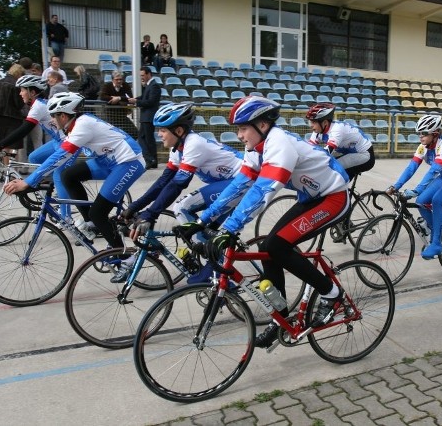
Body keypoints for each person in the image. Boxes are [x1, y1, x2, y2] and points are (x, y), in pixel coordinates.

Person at [178, 96, 350, 348]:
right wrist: (204, 219)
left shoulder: (279, 143)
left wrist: (229, 228)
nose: (239, 136)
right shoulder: (255, 149)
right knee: (267, 249)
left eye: (243, 128)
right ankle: (280, 318)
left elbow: (262, 191)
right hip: (311, 196)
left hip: (333, 197)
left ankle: (331, 294)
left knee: (277, 246)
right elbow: (239, 185)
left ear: (262, 125)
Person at [116, 102, 244, 283]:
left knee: (183, 207)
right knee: (206, 228)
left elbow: (177, 185)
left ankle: (220, 276)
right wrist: (135, 207)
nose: (158, 135)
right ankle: (216, 267)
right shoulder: (178, 149)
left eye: (162, 130)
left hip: (240, 182)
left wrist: (150, 214)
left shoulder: (194, 144)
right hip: (226, 184)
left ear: (178, 131)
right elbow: (163, 182)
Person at [3, 92, 146, 250]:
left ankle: (124, 258)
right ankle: (91, 224)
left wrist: (28, 181)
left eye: (53, 116)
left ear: (63, 116)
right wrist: (32, 181)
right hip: (107, 160)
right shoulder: (74, 125)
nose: (51, 120)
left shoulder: (82, 125)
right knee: (69, 175)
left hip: (128, 162)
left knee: (98, 213)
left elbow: (60, 156)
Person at [386, 114, 442, 259]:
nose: (420, 136)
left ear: (435, 134)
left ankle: (436, 244)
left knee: (437, 200)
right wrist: (396, 186)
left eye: (424, 133)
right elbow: (411, 168)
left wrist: (416, 189)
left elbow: (434, 170)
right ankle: (435, 229)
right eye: (419, 133)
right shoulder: (423, 146)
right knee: (421, 201)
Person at [0, 75, 72, 216]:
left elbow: (23, 130)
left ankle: (66, 218)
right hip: (58, 141)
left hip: (67, 144)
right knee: (34, 157)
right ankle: (48, 190)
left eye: (22, 90)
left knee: (58, 175)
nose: (20, 93)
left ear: (32, 92)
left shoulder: (38, 106)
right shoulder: (38, 104)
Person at [306, 102, 375, 180]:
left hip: (364, 154)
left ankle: (340, 191)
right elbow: (309, 149)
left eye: (314, 122)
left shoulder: (337, 129)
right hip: (347, 152)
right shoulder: (318, 130)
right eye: (310, 122)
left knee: (332, 167)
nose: (311, 125)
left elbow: (326, 154)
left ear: (325, 122)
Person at [128, 66, 161, 168]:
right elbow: (143, 98)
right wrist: (135, 99)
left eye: (142, 75)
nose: (141, 77)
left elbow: (150, 102)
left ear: (148, 74)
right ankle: (152, 161)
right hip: (146, 117)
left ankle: (150, 159)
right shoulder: (149, 85)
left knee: (145, 139)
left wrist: (136, 102)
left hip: (148, 117)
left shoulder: (154, 86)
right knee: (146, 139)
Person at [0, 64, 26, 162]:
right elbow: (18, 104)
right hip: (13, 117)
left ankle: (6, 169)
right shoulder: (16, 84)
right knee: (14, 145)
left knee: (4, 144)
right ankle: (11, 169)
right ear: (19, 73)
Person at [99, 71, 138, 139]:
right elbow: (103, 97)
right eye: (117, 79)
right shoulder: (107, 86)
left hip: (122, 115)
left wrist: (118, 98)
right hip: (109, 115)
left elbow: (129, 97)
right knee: (110, 135)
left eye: (121, 79)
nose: (119, 81)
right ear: (112, 80)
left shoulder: (126, 85)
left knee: (134, 132)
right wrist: (116, 99)